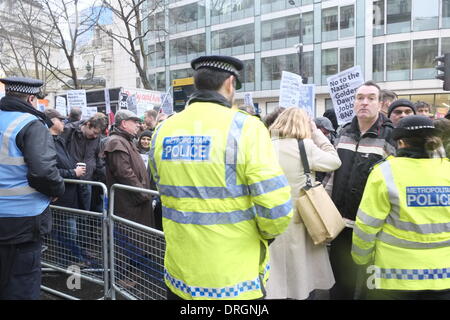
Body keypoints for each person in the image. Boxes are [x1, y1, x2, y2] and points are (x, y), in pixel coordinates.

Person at [149, 55, 293, 300]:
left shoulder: (163, 129)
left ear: (197, 84)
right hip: (233, 280)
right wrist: (266, 236)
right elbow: (276, 207)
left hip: (180, 275)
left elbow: (160, 186)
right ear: (229, 83)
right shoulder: (246, 127)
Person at [351, 115, 450, 300]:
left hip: (394, 277)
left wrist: (361, 259)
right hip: (444, 277)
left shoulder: (384, 172)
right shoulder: (447, 170)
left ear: (401, 142)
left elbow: (366, 226)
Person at [323, 80, 396, 300]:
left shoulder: (389, 137)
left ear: (380, 103)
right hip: (341, 225)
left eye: (370, 98)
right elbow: (331, 176)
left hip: (372, 228)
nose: (364, 102)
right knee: (339, 283)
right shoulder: (344, 132)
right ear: (354, 102)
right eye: (359, 98)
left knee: (366, 288)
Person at [266, 107, 341, 300]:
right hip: (303, 216)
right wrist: (316, 133)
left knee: (276, 276)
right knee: (302, 272)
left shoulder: (265, 145)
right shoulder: (305, 147)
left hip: (272, 216)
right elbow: (334, 161)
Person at [0, 77, 65, 299]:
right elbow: (44, 172)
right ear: (31, 98)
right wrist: (57, 190)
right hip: (22, 221)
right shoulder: (30, 124)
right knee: (21, 285)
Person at [44, 108, 94, 267]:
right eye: (60, 119)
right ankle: (68, 263)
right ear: (52, 121)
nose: (64, 122)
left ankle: (71, 259)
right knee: (66, 232)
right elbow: (49, 170)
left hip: (69, 195)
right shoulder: (47, 142)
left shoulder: (58, 139)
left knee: (69, 231)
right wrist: (73, 172)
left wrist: (74, 169)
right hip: (61, 197)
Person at [60, 114, 107, 211]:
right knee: (70, 214)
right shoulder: (69, 130)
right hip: (70, 181)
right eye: (94, 132)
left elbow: (98, 159)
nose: (95, 136)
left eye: (98, 134)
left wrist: (104, 177)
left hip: (87, 181)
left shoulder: (97, 138)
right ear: (88, 124)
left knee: (85, 214)